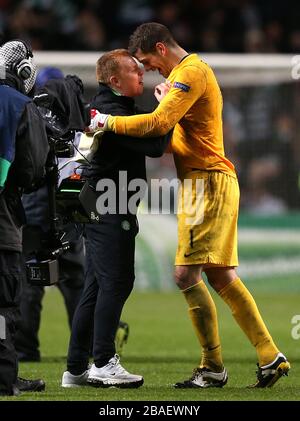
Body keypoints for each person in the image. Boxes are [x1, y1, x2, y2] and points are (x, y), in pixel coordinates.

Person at [90, 23, 290, 388]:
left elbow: (158, 122)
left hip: (207, 183)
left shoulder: (190, 73)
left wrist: (107, 122)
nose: (149, 70)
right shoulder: (186, 77)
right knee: (221, 276)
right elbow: (167, 141)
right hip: (208, 181)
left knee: (185, 275)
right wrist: (155, 112)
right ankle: (268, 354)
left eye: (149, 62)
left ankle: (213, 365)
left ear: (161, 49)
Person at [61, 49, 171, 388]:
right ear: (114, 80)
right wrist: (167, 105)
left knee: (95, 286)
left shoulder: (110, 107)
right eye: (134, 71)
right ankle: (104, 362)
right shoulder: (110, 112)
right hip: (109, 206)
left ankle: (76, 368)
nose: (141, 75)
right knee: (116, 282)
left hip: (101, 204)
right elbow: (156, 146)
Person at [15, 67, 86, 363]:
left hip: (33, 214)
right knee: (76, 282)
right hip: (67, 213)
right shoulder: (75, 125)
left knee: (31, 284)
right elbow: (80, 172)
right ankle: (86, 349)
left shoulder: (28, 116)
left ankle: (26, 349)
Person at [0, 40, 49, 395]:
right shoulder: (19, 105)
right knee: (2, 303)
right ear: (24, 71)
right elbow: (33, 169)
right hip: (2, 216)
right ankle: (4, 377)